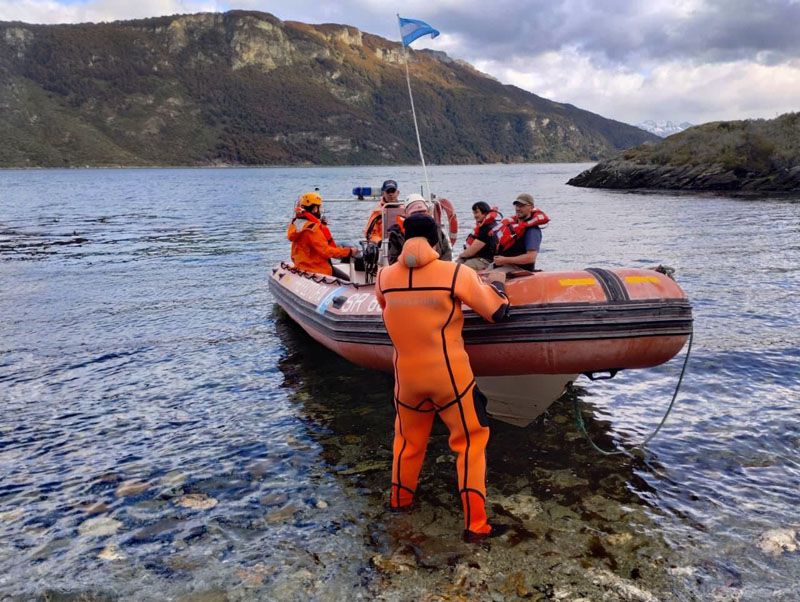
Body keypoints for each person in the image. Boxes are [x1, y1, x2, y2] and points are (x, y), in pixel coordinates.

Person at [375, 213, 510, 541]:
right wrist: (500, 286)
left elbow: (385, 305)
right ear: (437, 239)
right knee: (470, 443)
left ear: (404, 236)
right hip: (450, 378)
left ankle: (400, 505)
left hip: (406, 380)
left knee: (407, 444)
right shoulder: (454, 273)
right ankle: (476, 526)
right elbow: (496, 312)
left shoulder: (384, 277)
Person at [287, 191, 358, 276]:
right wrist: (348, 252)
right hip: (316, 269)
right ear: (314, 209)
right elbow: (326, 251)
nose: (320, 211)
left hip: (303, 265)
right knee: (347, 280)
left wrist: (321, 224)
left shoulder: (297, 223)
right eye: (319, 208)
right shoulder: (313, 229)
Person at [386, 194, 453, 265]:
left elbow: (446, 252)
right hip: (408, 270)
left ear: (428, 212)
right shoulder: (397, 234)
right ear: (406, 214)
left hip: (436, 269)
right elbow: (393, 260)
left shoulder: (437, 230)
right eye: (415, 213)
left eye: (422, 212)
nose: (419, 216)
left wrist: (440, 268)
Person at [492, 193, 549, 272]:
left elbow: (531, 258)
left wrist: (505, 260)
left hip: (519, 269)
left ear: (531, 207)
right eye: (517, 206)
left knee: (493, 276)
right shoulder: (512, 225)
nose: (518, 209)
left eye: (522, 206)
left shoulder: (532, 230)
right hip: (502, 265)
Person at [456, 201, 501, 271]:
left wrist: (460, 255)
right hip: (483, 258)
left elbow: (471, 251)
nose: (474, 216)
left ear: (485, 213)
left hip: (486, 261)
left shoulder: (486, 229)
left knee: (461, 268)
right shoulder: (492, 224)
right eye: (474, 213)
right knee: (457, 264)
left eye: (476, 212)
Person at [365, 179, 401, 244]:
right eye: (388, 191)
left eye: (392, 191)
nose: (390, 194)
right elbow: (370, 234)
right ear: (383, 193)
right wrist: (380, 243)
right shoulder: (377, 212)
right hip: (384, 245)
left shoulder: (404, 209)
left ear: (397, 192)